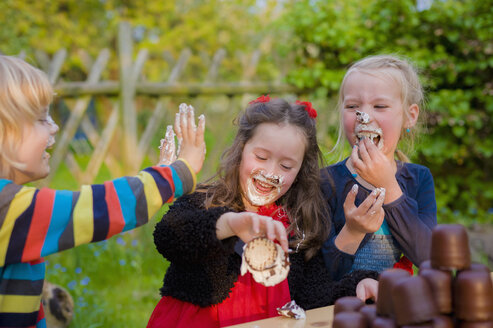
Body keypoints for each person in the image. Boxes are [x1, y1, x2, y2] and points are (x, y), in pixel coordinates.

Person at [0, 55, 206, 328]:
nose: (55, 126)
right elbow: (96, 208)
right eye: (40, 119)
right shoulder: (8, 208)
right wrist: (179, 173)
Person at [148, 96, 379, 328]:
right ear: (241, 150)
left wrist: (356, 286)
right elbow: (168, 235)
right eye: (261, 157)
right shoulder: (207, 202)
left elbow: (313, 297)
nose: (270, 172)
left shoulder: (297, 226)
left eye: (286, 166)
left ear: (300, 171)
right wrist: (229, 224)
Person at [321, 54, 437, 280]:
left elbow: (429, 258)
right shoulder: (324, 182)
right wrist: (352, 232)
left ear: (409, 117)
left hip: (398, 305)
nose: (364, 117)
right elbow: (320, 277)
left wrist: (389, 187)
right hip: (342, 310)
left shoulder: (419, 179)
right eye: (353, 106)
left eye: (380, 106)